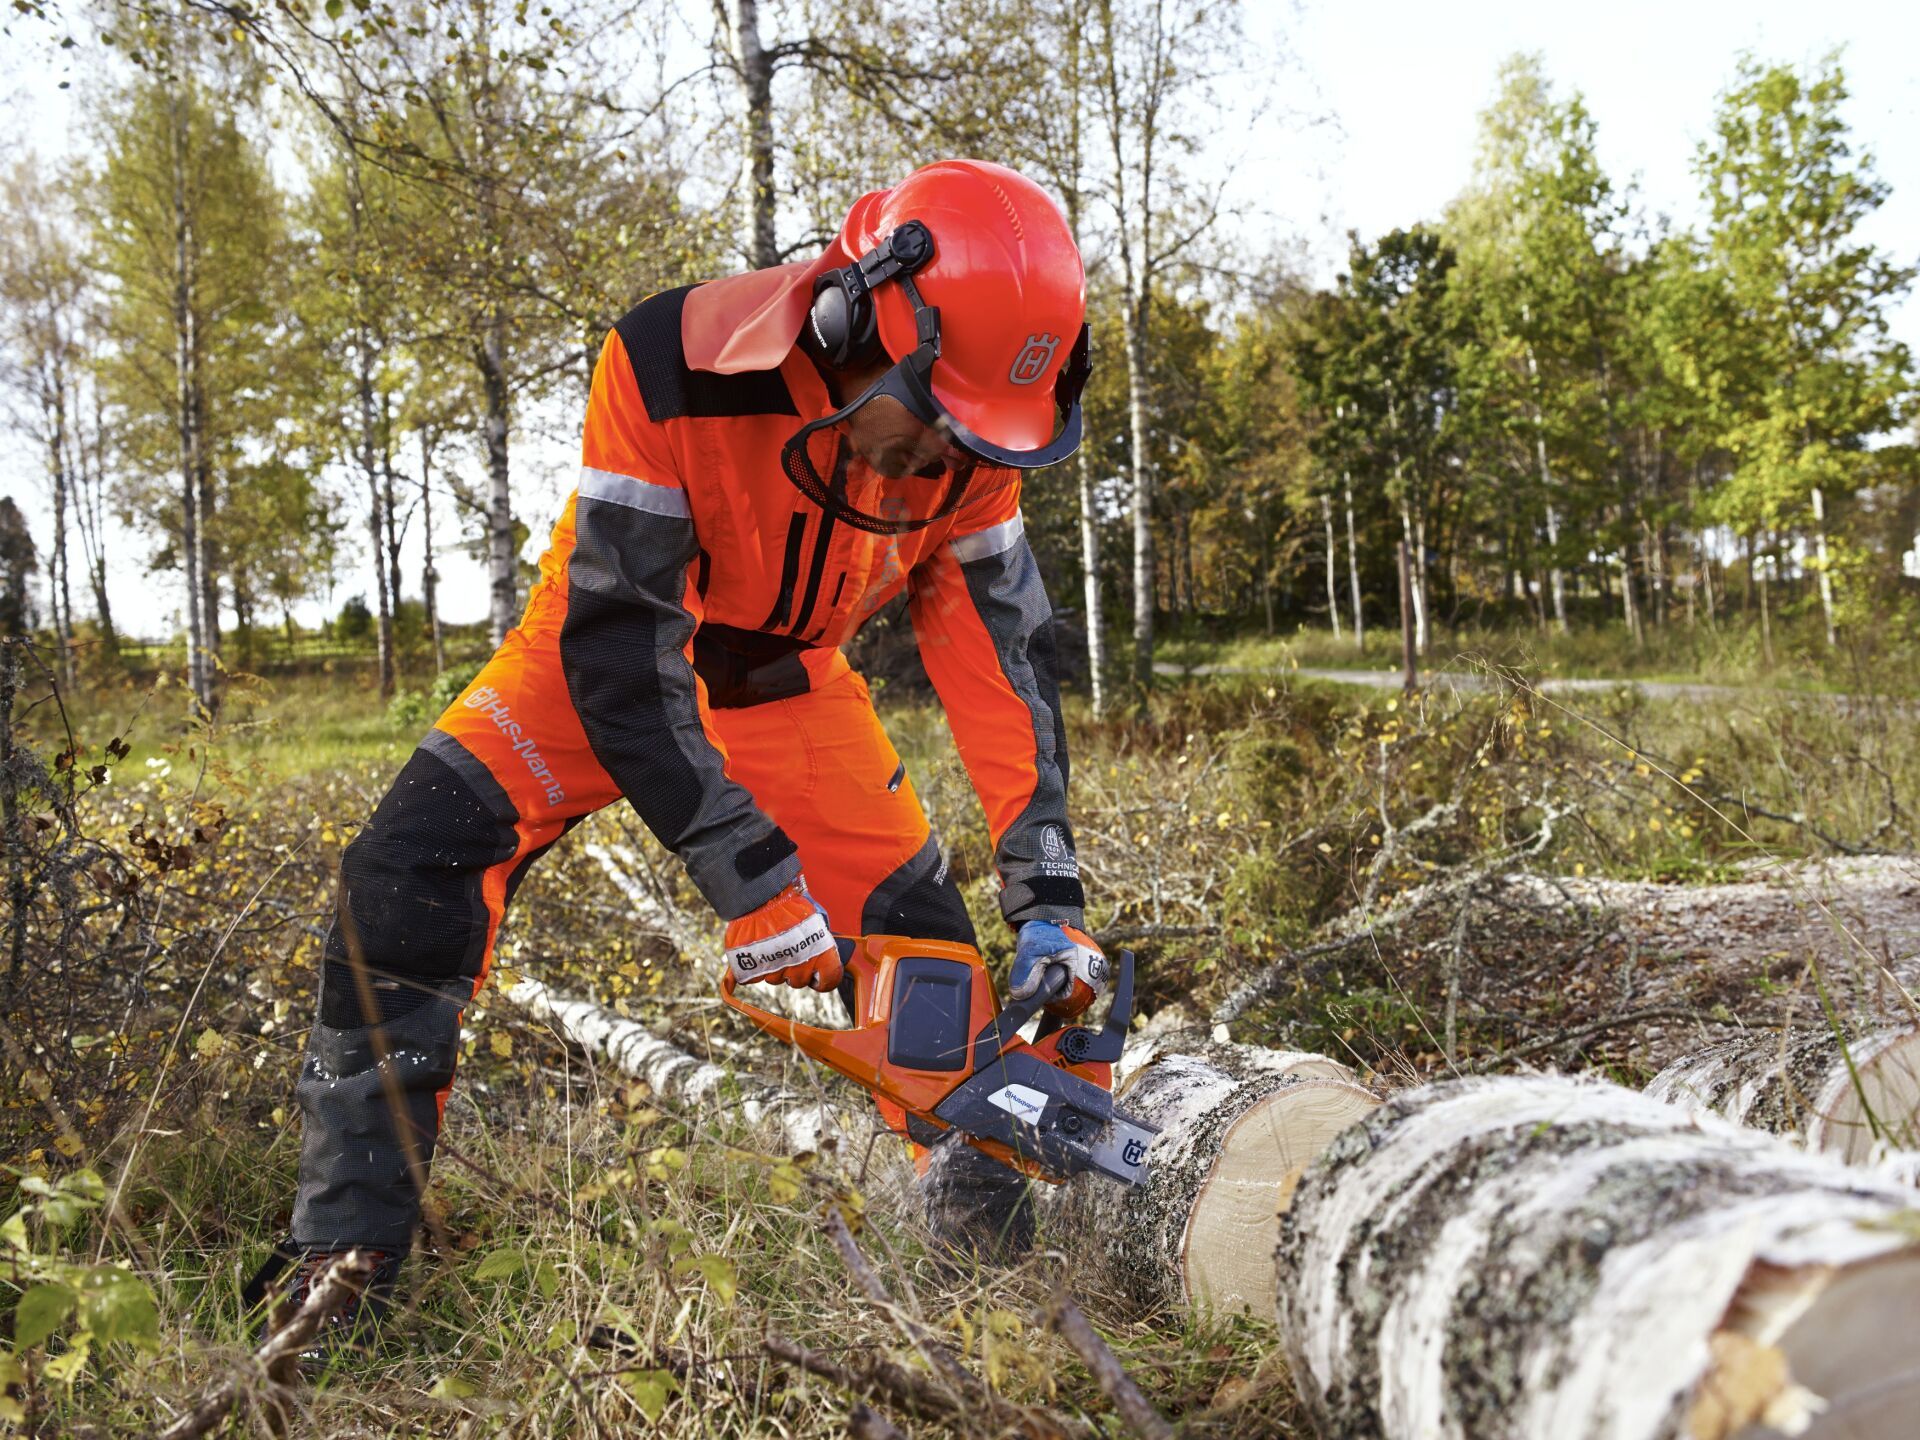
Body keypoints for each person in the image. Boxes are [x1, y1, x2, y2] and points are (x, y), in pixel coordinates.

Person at [257, 158, 1107, 1340]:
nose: (940, 468)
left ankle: (989, 1250)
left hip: (786, 679)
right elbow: (620, 646)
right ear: (855, 316)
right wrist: (749, 880)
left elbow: (1001, 659)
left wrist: (1049, 888)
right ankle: (347, 1251)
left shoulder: (966, 449)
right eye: (931, 424)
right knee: (402, 872)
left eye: (975, 442)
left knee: (925, 951)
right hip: (606, 655)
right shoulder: (669, 361)